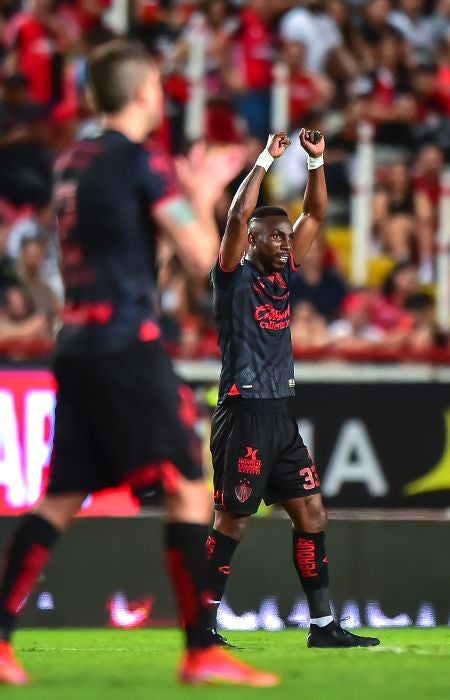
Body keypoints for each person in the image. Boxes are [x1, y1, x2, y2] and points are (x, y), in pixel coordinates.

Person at [0, 40, 278, 688]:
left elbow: (127, 256)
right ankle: (201, 651)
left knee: (63, 496)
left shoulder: (76, 160)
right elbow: (205, 256)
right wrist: (207, 193)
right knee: (185, 484)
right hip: (127, 347)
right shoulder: (142, 164)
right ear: (147, 91)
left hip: (78, 345)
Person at [206, 129, 381, 649]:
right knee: (232, 521)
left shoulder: (284, 274)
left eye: (287, 235)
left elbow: (319, 214)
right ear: (254, 240)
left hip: (280, 414)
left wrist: (316, 160)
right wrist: (263, 159)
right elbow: (237, 217)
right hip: (244, 412)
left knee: (311, 512)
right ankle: (201, 624)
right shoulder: (232, 275)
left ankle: (324, 626)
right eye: (276, 236)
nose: (286, 242)